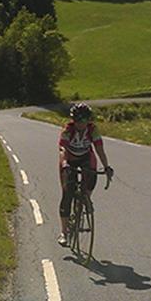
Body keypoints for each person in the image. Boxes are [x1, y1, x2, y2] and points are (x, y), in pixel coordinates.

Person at [57, 102, 113, 246]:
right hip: (70, 159)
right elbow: (62, 148)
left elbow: (99, 149)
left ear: (89, 120)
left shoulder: (93, 130)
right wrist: (64, 163)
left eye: (84, 120)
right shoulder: (68, 130)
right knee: (67, 193)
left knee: (92, 175)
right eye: (78, 121)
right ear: (73, 120)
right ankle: (64, 232)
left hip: (86, 158)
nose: (81, 124)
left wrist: (106, 166)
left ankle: (85, 199)